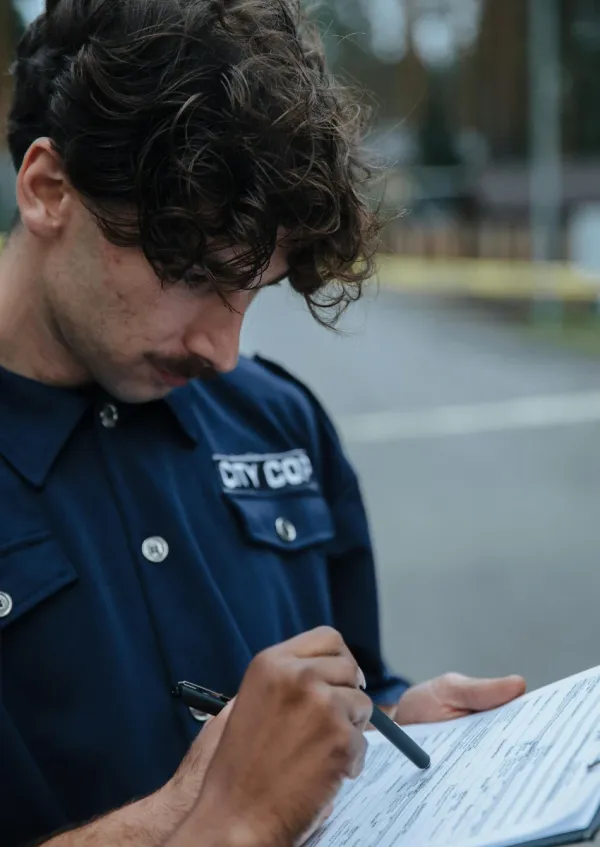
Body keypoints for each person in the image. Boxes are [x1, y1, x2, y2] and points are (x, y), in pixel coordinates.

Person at [0, 1, 526, 845]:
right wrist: (231, 817)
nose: (225, 349)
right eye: (197, 275)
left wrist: (397, 727)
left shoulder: (278, 420)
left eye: (255, 291)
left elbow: (356, 688)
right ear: (48, 190)